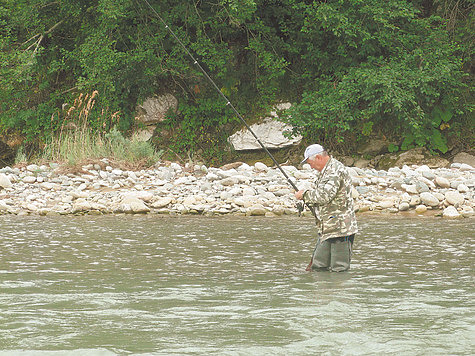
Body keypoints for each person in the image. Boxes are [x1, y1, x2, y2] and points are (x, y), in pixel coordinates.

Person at [295, 144, 358, 272]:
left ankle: (338, 291)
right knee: (318, 266)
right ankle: (321, 290)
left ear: (318, 157)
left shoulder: (334, 170)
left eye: (310, 162)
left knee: (339, 268)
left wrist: (304, 195)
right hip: (327, 228)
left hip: (341, 229)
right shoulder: (325, 171)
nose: (311, 166)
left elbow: (324, 195)